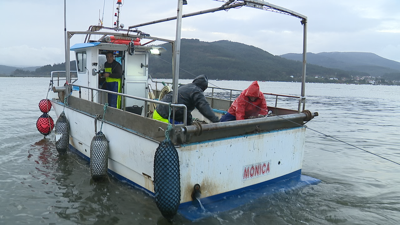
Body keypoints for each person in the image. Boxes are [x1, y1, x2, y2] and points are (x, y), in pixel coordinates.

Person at [153, 75, 219, 125]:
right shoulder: (197, 91)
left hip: (157, 112)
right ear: (204, 88)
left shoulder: (185, 86)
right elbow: (204, 106)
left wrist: (189, 122)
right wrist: (216, 121)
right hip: (164, 117)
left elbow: (185, 111)